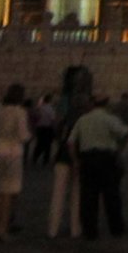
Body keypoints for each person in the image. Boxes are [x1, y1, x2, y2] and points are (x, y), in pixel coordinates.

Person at [70, 94, 128, 239]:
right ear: (106, 104)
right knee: (111, 196)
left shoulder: (83, 119)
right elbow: (124, 132)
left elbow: (71, 141)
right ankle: (116, 228)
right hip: (106, 160)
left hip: (87, 159)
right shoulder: (110, 119)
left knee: (88, 197)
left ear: (93, 104)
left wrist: (76, 161)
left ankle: (90, 231)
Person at [0, 83, 31, 241]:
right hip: (12, 153)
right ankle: (2, 229)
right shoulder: (19, 112)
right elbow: (23, 136)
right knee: (8, 194)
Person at [47, 93, 88, 240]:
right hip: (78, 161)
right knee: (77, 197)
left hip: (62, 160)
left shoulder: (64, 121)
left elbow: (58, 138)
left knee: (57, 196)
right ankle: (75, 228)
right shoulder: (84, 122)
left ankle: (53, 229)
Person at [31, 94, 57, 167]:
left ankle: (35, 157)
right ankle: (45, 160)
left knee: (39, 143)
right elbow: (52, 120)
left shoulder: (39, 108)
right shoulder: (50, 109)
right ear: (50, 100)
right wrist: (55, 129)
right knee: (47, 145)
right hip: (47, 128)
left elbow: (35, 117)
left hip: (40, 128)